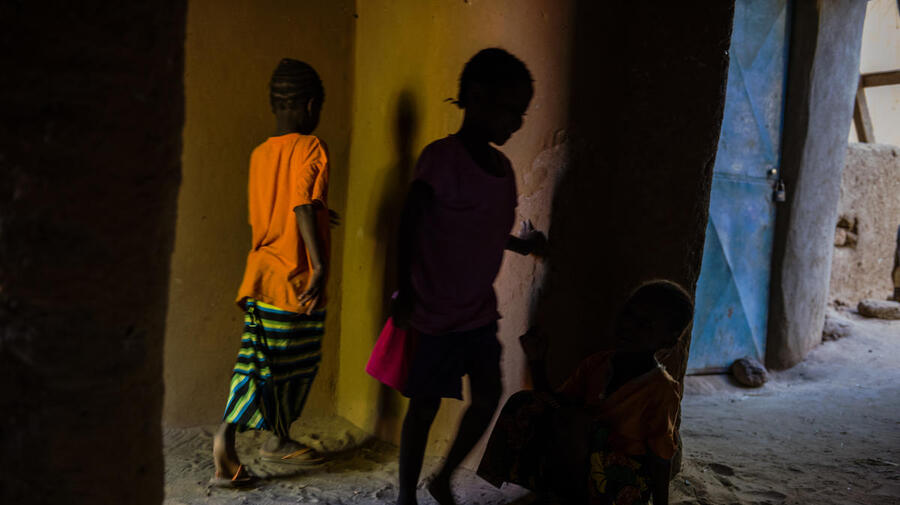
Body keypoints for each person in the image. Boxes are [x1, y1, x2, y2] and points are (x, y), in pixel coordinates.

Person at [392, 48, 546, 505]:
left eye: (521, 114)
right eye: (509, 111)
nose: (515, 124)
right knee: (423, 407)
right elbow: (408, 225)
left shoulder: (503, 171)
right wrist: (403, 291)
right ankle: (405, 496)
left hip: (478, 312)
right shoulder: (441, 159)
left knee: (488, 397)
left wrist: (522, 245)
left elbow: (485, 230)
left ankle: (442, 478)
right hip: (434, 313)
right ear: (475, 98)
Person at [210, 58, 334, 487]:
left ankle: (277, 440)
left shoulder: (261, 154)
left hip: (261, 272)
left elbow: (286, 205)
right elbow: (299, 203)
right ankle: (227, 440)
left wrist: (321, 214)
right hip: (294, 278)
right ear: (311, 105)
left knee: (265, 358)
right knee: (283, 364)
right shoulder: (311, 146)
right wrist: (318, 264)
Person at [478, 280, 694, 505]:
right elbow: (554, 405)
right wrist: (536, 361)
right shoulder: (597, 364)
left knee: (577, 423)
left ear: (668, 340)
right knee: (525, 403)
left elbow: (660, 458)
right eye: (628, 314)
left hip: (620, 484)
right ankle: (553, 491)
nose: (629, 325)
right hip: (580, 466)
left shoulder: (661, 389)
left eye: (644, 324)